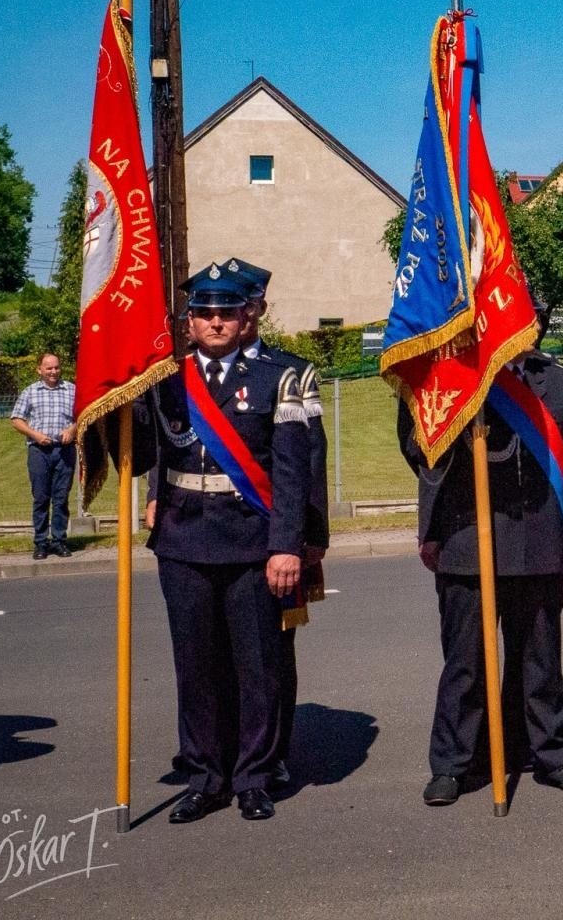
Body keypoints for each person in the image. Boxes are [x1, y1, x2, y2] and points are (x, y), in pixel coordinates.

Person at [136, 263, 312, 822]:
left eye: (226, 313)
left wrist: (288, 545)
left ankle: (254, 776)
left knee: (257, 665)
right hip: (184, 539)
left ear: (246, 316)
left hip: (250, 539)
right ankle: (204, 776)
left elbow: (291, 473)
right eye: (205, 314)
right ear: (189, 322)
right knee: (196, 665)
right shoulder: (164, 378)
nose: (215, 323)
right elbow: (146, 453)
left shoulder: (279, 378)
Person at [403, 335, 563, 804]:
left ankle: (550, 754)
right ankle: (454, 763)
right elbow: (415, 448)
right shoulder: (452, 376)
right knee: (465, 663)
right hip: (467, 539)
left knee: (540, 661)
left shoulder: (553, 380)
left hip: (539, 539)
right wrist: (454, 421)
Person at [221, 257, 330, 788]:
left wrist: (311, 537)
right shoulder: (194, 370)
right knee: (217, 652)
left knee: (271, 649)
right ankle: (223, 750)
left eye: (248, 303)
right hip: (213, 531)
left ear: (259, 309)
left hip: (277, 529)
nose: (241, 313)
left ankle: (273, 748)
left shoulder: (292, 370)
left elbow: (309, 459)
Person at [10, 353, 77, 560]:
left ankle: (59, 541)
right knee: (40, 498)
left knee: (61, 498)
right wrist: (35, 435)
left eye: (56, 367)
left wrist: (72, 430)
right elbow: (16, 419)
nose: (53, 372)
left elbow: (84, 415)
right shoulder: (30, 392)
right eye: (49, 368)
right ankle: (40, 542)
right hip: (39, 451)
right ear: (39, 369)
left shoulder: (72, 390)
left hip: (64, 450)